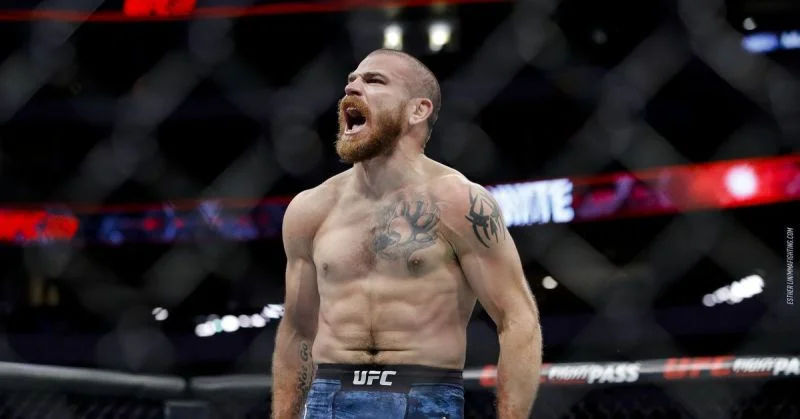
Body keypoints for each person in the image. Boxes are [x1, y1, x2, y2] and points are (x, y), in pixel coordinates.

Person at [271, 48, 542, 419]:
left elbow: (517, 319)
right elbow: (298, 331)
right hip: (328, 398)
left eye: (374, 80)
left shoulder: (459, 201)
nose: (352, 88)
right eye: (351, 81)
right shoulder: (310, 209)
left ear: (418, 110)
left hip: (423, 396)